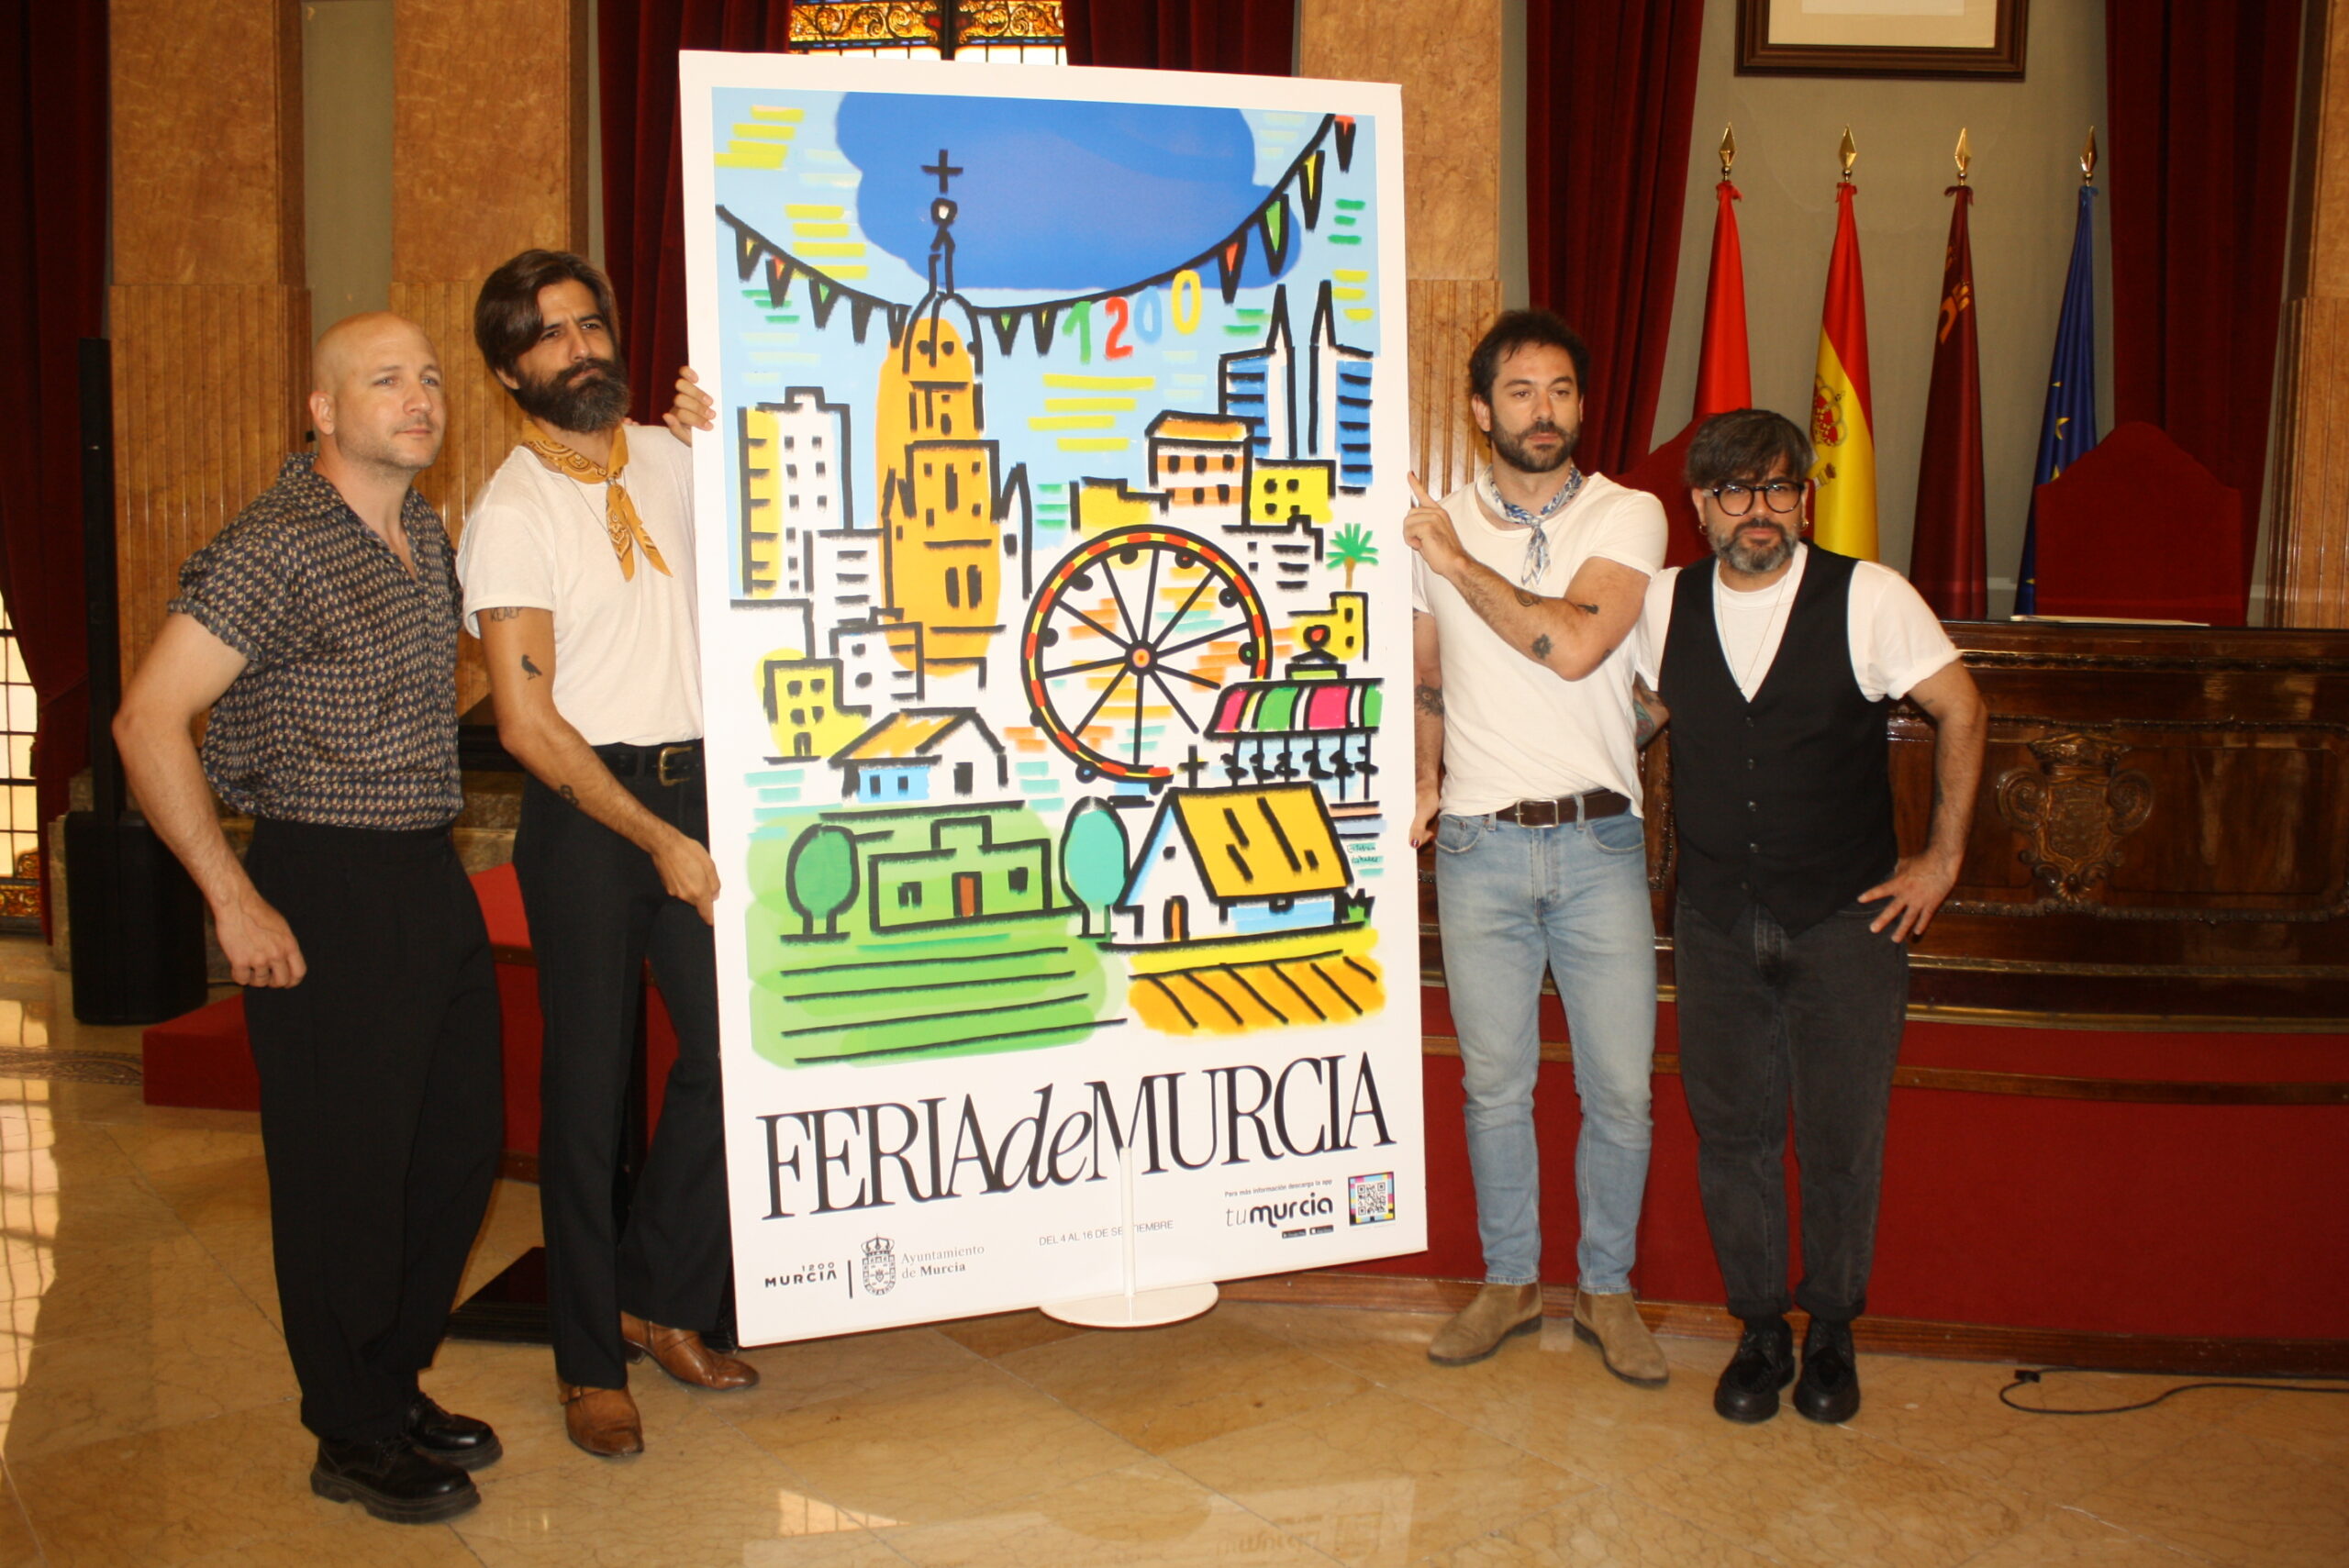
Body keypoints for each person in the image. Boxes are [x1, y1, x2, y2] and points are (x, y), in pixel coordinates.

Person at [112, 313, 504, 1524]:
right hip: (323, 879)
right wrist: (232, 898)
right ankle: (350, 1429)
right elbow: (145, 720)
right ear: (324, 411)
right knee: (347, 1174)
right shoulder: (273, 544)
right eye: (386, 379)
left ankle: (391, 1381)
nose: (420, 396)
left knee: (453, 1147)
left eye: (430, 377)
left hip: (425, 872)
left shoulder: (421, 531)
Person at [457, 249, 751, 1460]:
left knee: (735, 1054)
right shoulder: (511, 513)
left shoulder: (677, 459)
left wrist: (730, 429)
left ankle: (660, 1294)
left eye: (589, 324)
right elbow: (527, 725)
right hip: (587, 811)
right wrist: (659, 837)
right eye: (548, 335)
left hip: (704, 781)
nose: (579, 348)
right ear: (507, 372)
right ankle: (589, 1365)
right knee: (586, 1096)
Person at [1639, 407, 1987, 1424]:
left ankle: (1831, 1326)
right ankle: (1759, 1329)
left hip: (1846, 920)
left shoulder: (1869, 595)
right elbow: (1632, 717)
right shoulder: (1661, 603)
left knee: (1840, 1139)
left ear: (1803, 497)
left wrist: (1942, 860)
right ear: (1700, 506)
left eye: (1780, 487)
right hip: (1714, 920)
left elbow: (1963, 707)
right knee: (1733, 1136)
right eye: (1736, 490)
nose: (1760, 509)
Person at [1404, 309, 1671, 1385]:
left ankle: (1608, 1290)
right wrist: (1426, 779)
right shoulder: (1437, 525)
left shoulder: (1627, 511)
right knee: (1493, 1089)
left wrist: (1454, 559)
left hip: (1599, 842)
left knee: (1622, 1092)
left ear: (1581, 404)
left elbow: (1572, 645)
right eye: (1518, 391)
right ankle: (1509, 1280)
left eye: (1560, 389)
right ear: (1480, 409)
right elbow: (1428, 669)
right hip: (1477, 848)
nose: (1542, 409)